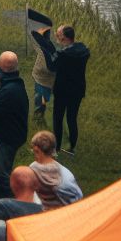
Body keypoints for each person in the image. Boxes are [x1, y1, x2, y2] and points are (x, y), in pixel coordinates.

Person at [30, 21, 89, 154]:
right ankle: (71, 147)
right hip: (78, 90)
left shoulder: (63, 55)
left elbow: (52, 66)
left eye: (59, 33)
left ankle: (56, 148)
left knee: (58, 118)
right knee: (72, 118)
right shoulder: (83, 49)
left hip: (63, 90)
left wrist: (46, 45)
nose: (57, 34)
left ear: (64, 37)